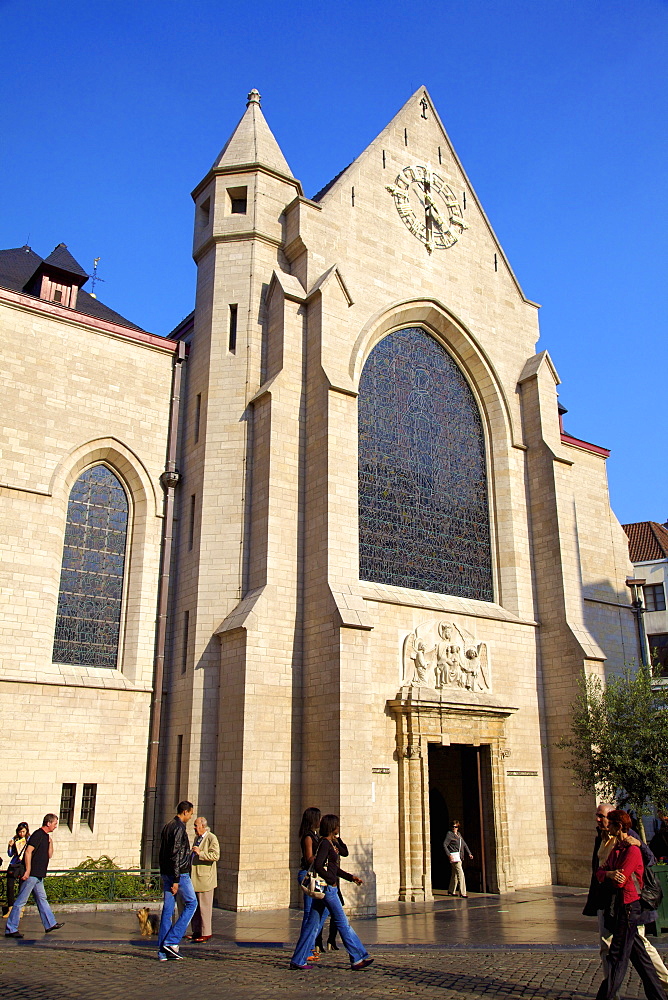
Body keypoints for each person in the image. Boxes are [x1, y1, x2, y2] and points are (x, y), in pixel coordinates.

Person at [583, 802, 668, 991]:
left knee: (640, 949)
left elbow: (649, 858)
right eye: (597, 815)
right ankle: (612, 993)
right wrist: (604, 878)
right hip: (607, 899)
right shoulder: (601, 837)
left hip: (629, 902)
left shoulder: (629, 837)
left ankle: (664, 984)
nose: (597, 820)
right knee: (607, 948)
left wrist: (638, 844)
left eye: (601, 817)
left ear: (615, 820)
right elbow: (598, 870)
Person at [290, 814, 373, 971]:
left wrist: (350, 877)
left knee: (313, 925)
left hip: (328, 888)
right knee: (343, 923)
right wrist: (331, 880)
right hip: (328, 890)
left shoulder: (328, 843)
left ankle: (298, 959)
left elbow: (337, 863)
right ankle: (357, 957)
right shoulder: (325, 844)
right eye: (337, 825)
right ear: (332, 827)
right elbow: (319, 866)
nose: (339, 827)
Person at [4, 814, 64, 938]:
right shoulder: (37, 835)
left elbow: (49, 855)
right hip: (32, 874)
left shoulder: (46, 837)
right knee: (21, 901)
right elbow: (28, 852)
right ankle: (11, 928)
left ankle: (50, 924)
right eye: (55, 823)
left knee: (42, 899)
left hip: (38, 875)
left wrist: (51, 842)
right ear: (48, 823)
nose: (55, 826)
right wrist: (28, 870)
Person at [157, 800, 198, 961]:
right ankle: (172, 941)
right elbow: (175, 855)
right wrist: (175, 880)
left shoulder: (167, 826)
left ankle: (162, 952)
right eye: (190, 814)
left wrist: (166, 874)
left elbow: (162, 853)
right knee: (191, 903)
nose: (190, 817)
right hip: (179, 874)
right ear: (185, 812)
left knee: (167, 912)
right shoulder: (179, 828)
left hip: (167, 873)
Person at [189, 816, 220, 942]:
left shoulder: (211, 838)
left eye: (196, 825)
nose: (194, 828)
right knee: (195, 906)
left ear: (203, 826)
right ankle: (196, 931)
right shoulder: (197, 838)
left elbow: (216, 855)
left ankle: (206, 932)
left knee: (204, 907)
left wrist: (200, 853)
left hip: (205, 879)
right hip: (195, 877)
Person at [3, 822, 29, 917]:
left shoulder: (29, 840)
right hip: (14, 864)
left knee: (22, 887)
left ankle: (20, 910)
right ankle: (10, 908)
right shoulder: (15, 839)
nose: (21, 834)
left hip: (23, 865)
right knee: (10, 886)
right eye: (20, 832)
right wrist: (10, 846)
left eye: (23, 832)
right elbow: (10, 854)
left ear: (26, 831)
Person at [444, 820, 473, 897]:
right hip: (454, 856)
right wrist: (449, 854)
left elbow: (464, 844)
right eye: (453, 827)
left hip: (459, 856)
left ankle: (451, 890)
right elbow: (444, 844)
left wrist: (469, 853)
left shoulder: (459, 835)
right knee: (460, 873)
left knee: (455, 874)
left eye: (456, 827)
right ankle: (463, 892)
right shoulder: (449, 834)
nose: (454, 828)